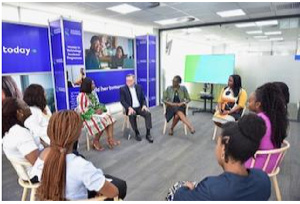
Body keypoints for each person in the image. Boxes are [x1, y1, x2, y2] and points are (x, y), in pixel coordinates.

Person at [167, 114, 271, 201]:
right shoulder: (263, 179)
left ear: (224, 149)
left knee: (176, 188)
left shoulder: (211, 190)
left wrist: (185, 187)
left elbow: (178, 197)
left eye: (217, 142)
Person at [36, 110, 127, 201]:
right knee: (121, 186)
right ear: (76, 135)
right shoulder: (80, 165)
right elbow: (114, 192)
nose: (82, 127)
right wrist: (99, 190)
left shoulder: (43, 155)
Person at [245, 83, 288, 173]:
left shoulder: (259, 121)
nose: (248, 103)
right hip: (272, 163)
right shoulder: (275, 119)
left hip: (257, 165)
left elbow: (247, 145)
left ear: (257, 105)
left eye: (250, 101)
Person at [2, 98, 41, 183]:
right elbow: (37, 162)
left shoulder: (11, 130)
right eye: (26, 105)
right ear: (19, 112)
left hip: (27, 173)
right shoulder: (19, 133)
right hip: (35, 174)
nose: (29, 108)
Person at [77, 77, 119, 151]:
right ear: (87, 85)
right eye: (92, 84)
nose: (94, 85)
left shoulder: (92, 93)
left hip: (94, 115)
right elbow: (82, 110)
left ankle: (110, 140)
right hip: (86, 117)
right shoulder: (82, 96)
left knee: (109, 117)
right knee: (102, 121)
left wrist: (100, 109)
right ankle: (95, 141)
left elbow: (97, 104)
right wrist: (95, 111)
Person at [120, 74, 153, 143]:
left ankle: (148, 133)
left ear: (134, 80)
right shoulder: (122, 89)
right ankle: (136, 132)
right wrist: (129, 108)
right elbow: (122, 101)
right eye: (127, 80)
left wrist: (144, 105)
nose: (128, 82)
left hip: (139, 107)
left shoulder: (139, 87)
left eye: (130, 80)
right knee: (132, 115)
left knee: (148, 114)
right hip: (130, 108)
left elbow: (143, 98)